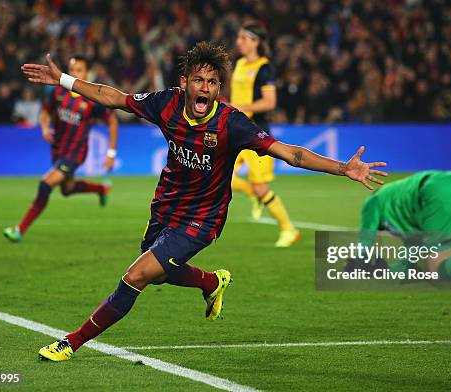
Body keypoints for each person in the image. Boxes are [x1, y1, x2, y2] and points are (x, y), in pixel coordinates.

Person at [20, 42, 387, 361]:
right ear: (185, 84)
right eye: (199, 80)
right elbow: (113, 97)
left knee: (136, 276)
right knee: (161, 274)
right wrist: (64, 81)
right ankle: (211, 283)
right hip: (166, 207)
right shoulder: (166, 104)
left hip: (203, 219)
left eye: (212, 82)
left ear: (218, 89)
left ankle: (71, 342)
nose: (205, 88)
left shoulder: (232, 123)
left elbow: (292, 154)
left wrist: (343, 168)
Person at [3, 55, 119, 242]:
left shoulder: (91, 99)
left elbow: (112, 121)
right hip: (58, 150)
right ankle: (101, 189)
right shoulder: (58, 92)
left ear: (88, 73)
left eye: (79, 70)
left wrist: (111, 152)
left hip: (76, 153)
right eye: (72, 70)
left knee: (45, 184)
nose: (74, 73)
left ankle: (19, 229)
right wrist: (44, 127)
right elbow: (46, 111)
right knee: (67, 189)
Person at [229, 23, 298, 247]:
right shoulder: (239, 64)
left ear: (255, 41)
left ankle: (289, 229)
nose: (238, 42)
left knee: (261, 188)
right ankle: (252, 194)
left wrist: (241, 107)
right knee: (220, 176)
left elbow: (270, 102)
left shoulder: (264, 68)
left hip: (256, 134)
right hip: (235, 131)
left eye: (243, 38)